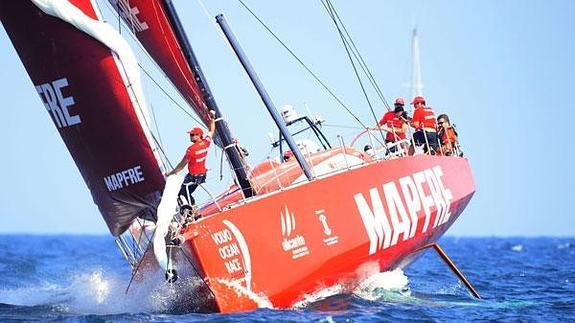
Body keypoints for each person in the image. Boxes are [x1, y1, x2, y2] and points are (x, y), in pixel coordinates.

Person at [165, 110, 216, 216]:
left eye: (193, 135)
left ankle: (194, 213)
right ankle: (194, 211)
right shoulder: (206, 143)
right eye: (191, 135)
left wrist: (171, 173)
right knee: (185, 192)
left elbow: (181, 165)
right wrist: (212, 119)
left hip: (194, 177)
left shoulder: (191, 149)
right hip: (201, 175)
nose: (191, 136)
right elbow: (211, 131)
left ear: (198, 136)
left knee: (181, 193)